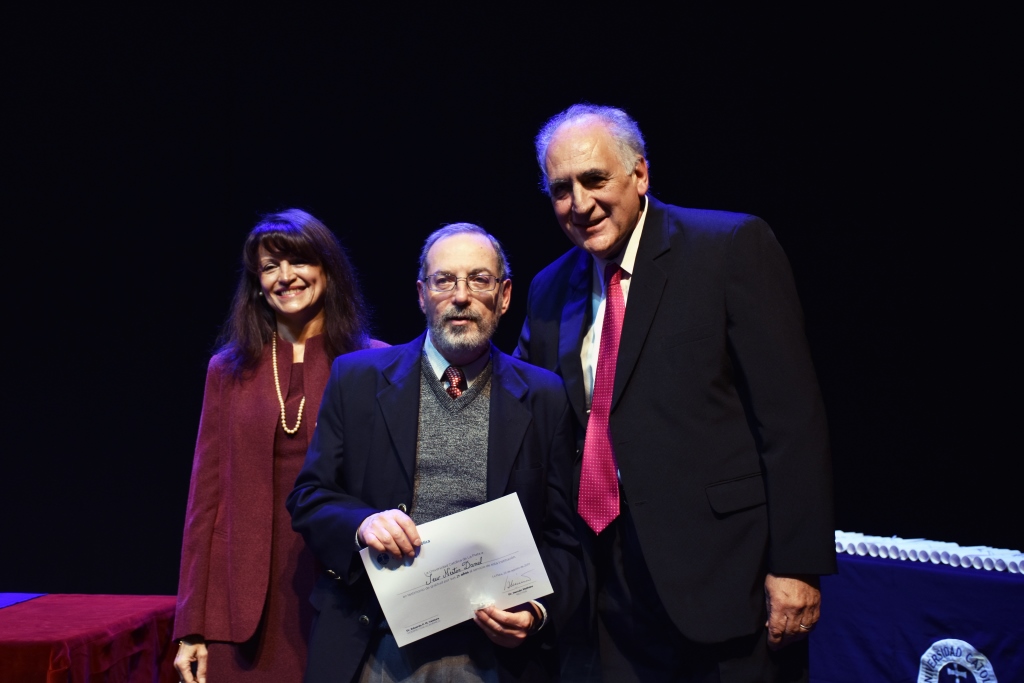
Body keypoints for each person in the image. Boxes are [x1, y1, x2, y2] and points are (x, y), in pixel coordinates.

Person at [515, 104, 836, 682]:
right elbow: (522, 414)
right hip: (604, 595)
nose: (579, 204)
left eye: (595, 180)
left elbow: (791, 420)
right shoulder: (547, 289)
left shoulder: (728, 246)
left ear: (639, 174)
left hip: (725, 579)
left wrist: (797, 565)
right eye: (561, 189)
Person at [287, 223, 584, 683]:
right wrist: (362, 523)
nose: (461, 296)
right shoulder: (357, 380)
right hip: (377, 643)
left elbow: (564, 538)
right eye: (444, 280)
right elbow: (309, 497)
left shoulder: (544, 396)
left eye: (479, 280)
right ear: (422, 295)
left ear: (504, 296)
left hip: (493, 657)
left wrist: (535, 611)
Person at [173, 209, 385, 683]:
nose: (285, 277)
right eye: (270, 267)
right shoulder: (228, 371)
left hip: (345, 591)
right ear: (256, 282)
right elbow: (204, 505)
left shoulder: (376, 364)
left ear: (327, 269)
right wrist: (192, 626)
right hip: (242, 603)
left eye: (299, 261)